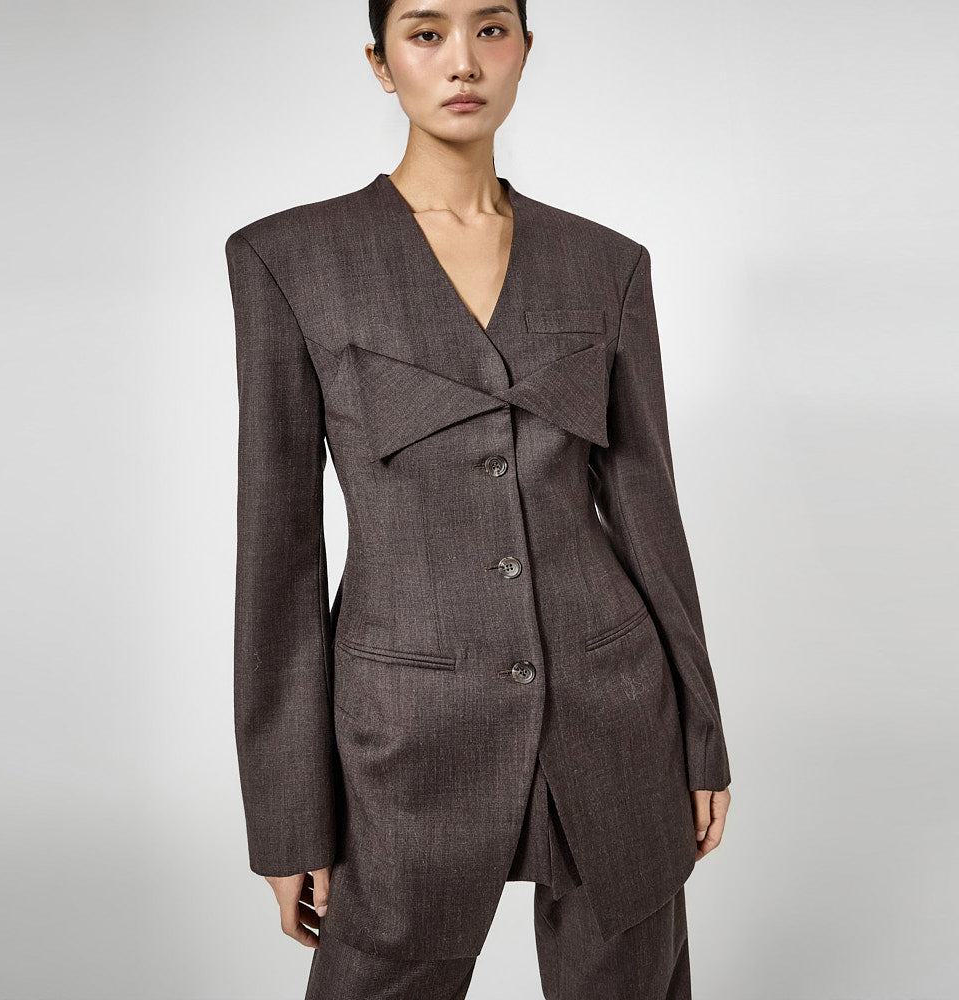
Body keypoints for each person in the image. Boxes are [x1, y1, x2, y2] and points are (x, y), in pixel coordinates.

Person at [223, 1, 733, 996]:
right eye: (426, 33)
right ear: (381, 63)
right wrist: (288, 817)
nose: (462, 61)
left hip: (613, 706)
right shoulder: (288, 259)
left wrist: (701, 736)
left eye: (491, 30)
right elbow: (276, 552)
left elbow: (648, 514)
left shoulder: (606, 264)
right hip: (406, 729)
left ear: (525, 51)